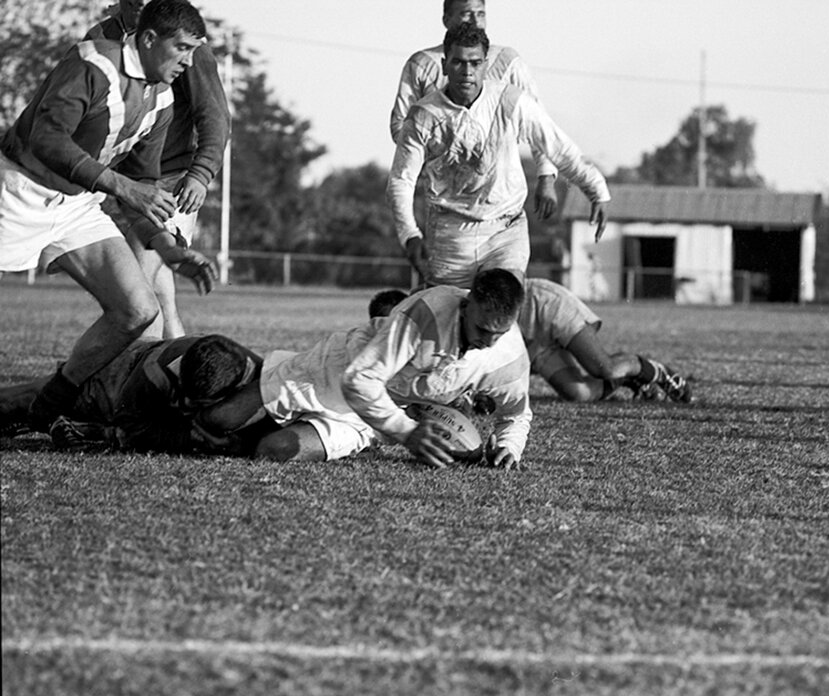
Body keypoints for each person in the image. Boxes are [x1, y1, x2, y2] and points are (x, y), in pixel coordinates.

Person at [0, 0, 217, 436]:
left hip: (77, 206)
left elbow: (140, 188)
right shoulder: (93, 61)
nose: (189, 61)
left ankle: (40, 412)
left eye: (195, 50)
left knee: (137, 310)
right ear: (150, 38)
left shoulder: (162, 99)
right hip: (17, 191)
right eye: (183, 48)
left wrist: (169, 249)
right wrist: (120, 187)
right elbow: (47, 139)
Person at [197, 268, 532, 469]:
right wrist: (406, 431)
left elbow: (517, 413)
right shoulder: (426, 313)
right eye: (482, 330)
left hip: (372, 416)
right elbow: (361, 380)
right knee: (218, 420)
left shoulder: (509, 357)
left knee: (271, 451)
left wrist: (509, 446)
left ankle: (262, 419)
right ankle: (253, 376)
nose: (488, 342)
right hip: (335, 368)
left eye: (498, 334)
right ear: (466, 304)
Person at [388, 21, 609, 289]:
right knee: (447, 319)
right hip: (450, 235)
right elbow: (402, 179)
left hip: (506, 229)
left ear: (485, 64)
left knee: (501, 305)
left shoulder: (510, 101)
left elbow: (557, 145)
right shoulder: (424, 116)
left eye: (475, 63)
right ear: (445, 65)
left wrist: (595, 187)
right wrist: (409, 233)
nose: (467, 72)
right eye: (458, 63)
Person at [86, 0, 231, 340]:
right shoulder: (98, 39)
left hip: (167, 179)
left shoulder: (184, 48)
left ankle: (131, 379)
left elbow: (215, 115)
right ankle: (171, 373)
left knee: (138, 288)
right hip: (118, 181)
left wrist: (201, 173)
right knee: (159, 295)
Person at [391, 0, 557, 221]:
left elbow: (538, 124)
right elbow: (401, 124)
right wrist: (439, 152)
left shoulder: (507, 61)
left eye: (480, 14)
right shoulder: (421, 64)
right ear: (446, 19)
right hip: (445, 199)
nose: (475, 21)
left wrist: (546, 177)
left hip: (500, 201)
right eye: (466, 14)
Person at [0, 335, 260, 454]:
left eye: (198, 403)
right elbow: (132, 425)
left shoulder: (254, 373)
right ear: (180, 370)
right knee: (22, 400)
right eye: (185, 396)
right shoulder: (153, 373)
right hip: (114, 376)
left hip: (139, 381)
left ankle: (78, 427)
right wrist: (189, 437)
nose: (188, 405)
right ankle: (76, 425)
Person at [518, 279, 692, 403]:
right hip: (526, 332)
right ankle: (627, 378)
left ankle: (657, 371)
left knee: (604, 368)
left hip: (542, 305)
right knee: (578, 393)